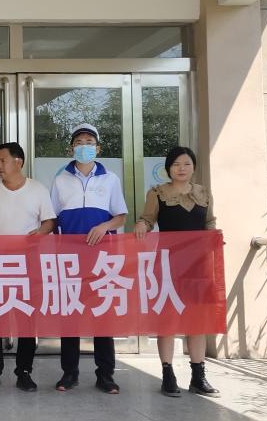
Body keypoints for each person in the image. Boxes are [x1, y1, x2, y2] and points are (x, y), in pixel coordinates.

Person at [50, 123, 128, 395]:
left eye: (89, 142)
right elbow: (52, 219)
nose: (84, 147)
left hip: (102, 259)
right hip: (70, 259)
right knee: (70, 316)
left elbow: (120, 216)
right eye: (79, 142)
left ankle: (105, 374)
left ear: (98, 148)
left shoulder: (110, 179)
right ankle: (69, 373)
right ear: (71, 148)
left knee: (102, 315)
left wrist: (105, 226)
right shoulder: (60, 180)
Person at [135, 146, 219, 397]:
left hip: (198, 265)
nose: (182, 169)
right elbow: (148, 219)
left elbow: (210, 222)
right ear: (168, 168)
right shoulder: (157, 193)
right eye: (176, 164)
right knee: (168, 320)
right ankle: (168, 374)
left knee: (197, 321)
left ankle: (198, 376)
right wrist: (141, 225)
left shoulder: (203, 193)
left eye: (187, 164)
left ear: (193, 168)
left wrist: (215, 238)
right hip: (169, 265)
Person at [0, 142, 56, 393]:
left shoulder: (37, 190)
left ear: (18, 162)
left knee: (26, 320)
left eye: (3, 160)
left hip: (26, 264)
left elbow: (49, 221)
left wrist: (40, 233)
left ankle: (24, 372)